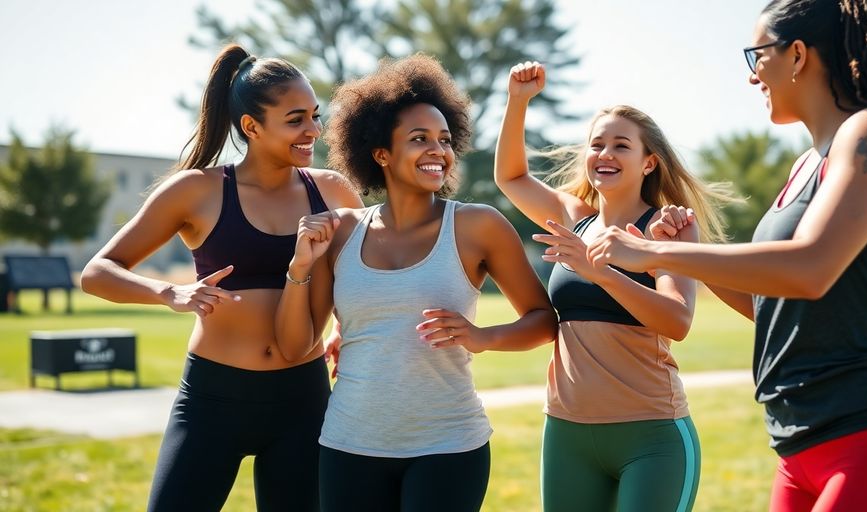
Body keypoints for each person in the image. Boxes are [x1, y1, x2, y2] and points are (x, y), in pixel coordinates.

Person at [586, 0, 867, 510]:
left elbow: (810, 269)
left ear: (796, 55)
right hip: (800, 446)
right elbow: (772, 304)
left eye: (756, 55)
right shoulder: (806, 163)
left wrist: (650, 250)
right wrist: (683, 252)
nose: (751, 77)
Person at [80, 44, 363, 511]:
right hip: (214, 400)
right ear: (251, 126)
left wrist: (338, 329)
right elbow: (98, 272)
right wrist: (170, 292)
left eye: (314, 115)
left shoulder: (331, 190)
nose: (313, 130)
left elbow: (357, 273)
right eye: (295, 119)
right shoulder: (197, 190)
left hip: (303, 399)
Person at [274, 54, 559, 512]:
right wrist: (299, 268)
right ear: (381, 153)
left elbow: (544, 320)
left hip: (448, 445)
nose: (438, 151)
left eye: (445, 140)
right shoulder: (341, 230)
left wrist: (482, 338)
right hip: (349, 445)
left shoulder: (477, 227)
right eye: (419, 138)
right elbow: (294, 346)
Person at [494, 61, 735, 511]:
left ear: (648, 162)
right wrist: (518, 102)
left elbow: (678, 319)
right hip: (566, 434)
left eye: (620, 145)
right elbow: (510, 177)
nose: (605, 153)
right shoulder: (573, 218)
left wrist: (601, 271)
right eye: (597, 144)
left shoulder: (668, 229)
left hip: (651, 436)